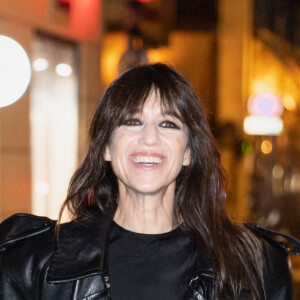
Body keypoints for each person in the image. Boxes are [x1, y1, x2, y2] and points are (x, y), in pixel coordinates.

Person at [0, 63, 299, 300]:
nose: (150, 138)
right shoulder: (31, 264)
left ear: (188, 153)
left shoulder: (256, 265)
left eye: (168, 124)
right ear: (105, 146)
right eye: (132, 121)